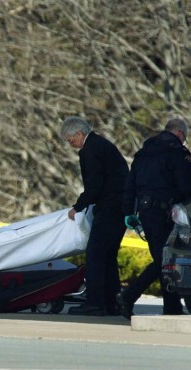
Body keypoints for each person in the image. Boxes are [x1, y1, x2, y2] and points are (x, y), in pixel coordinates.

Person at [118, 117, 191, 319]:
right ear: (180, 133)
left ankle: (171, 307)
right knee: (165, 260)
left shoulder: (143, 153)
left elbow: (130, 185)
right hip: (166, 214)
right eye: (184, 137)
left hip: (145, 213)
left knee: (163, 260)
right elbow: (187, 185)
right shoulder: (177, 153)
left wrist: (128, 212)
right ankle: (129, 296)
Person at [61, 116, 129, 316]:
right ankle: (112, 302)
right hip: (120, 206)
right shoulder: (103, 145)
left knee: (95, 255)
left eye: (70, 139)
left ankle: (96, 303)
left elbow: (94, 186)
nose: (70, 144)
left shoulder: (90, 150)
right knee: (108, 255)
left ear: (80, 134)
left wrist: (78, 207)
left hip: (109, 207)